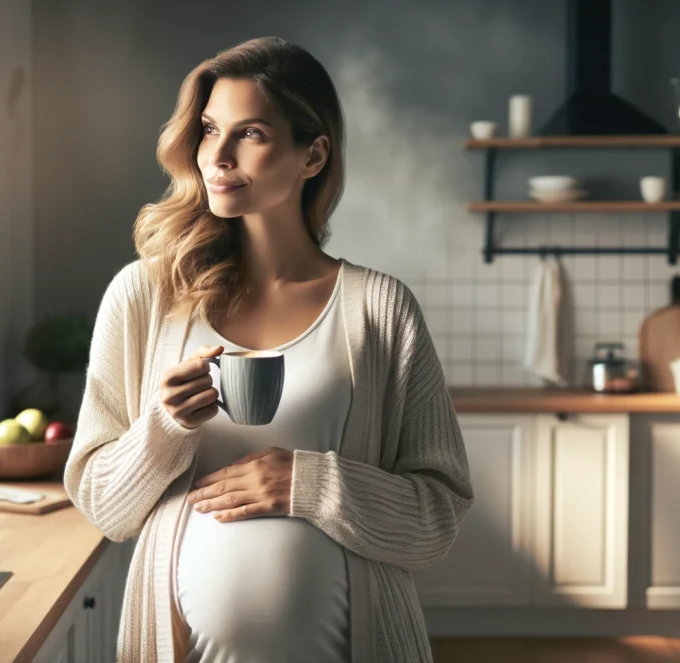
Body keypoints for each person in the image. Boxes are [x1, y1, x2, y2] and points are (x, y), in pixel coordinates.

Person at [64, 36, 473, 663]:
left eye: (249, 133)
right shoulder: (144, 295)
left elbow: (436, 518)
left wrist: (309, 482)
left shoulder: (380, 310)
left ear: (312, 155)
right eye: (208, 129)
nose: (217, 156)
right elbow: (104, 508)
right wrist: (164, 427)